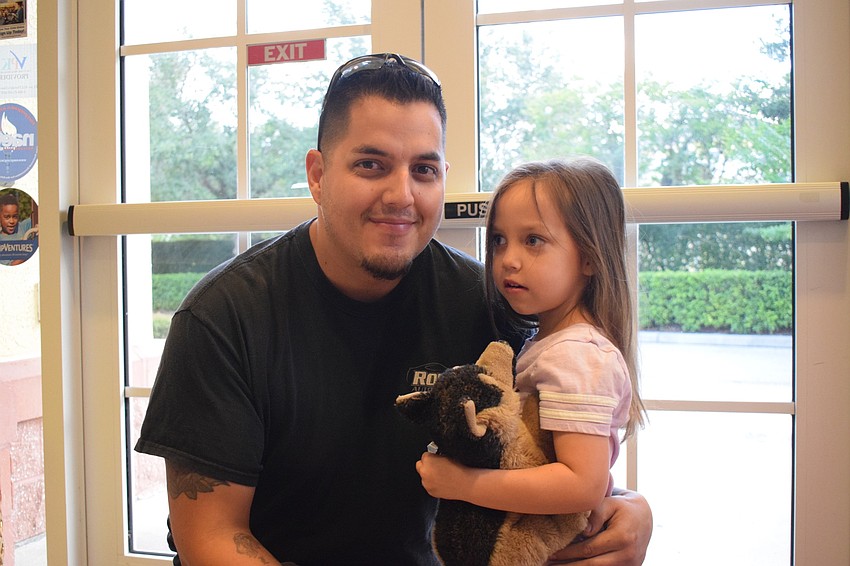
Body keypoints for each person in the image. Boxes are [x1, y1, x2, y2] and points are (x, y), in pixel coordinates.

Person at [135, 53, 652, 565]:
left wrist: (627, 506)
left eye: (423, 170)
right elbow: (212, 537)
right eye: (371, 165)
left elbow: (547, 450)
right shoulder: (225, 317)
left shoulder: (488, 306)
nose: (401, 195)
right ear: (317, 175)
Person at [416, 157, 646, 557]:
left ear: (590, 258)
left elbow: (582, 484)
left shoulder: (576, 355)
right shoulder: (550, 343)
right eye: (500, 240)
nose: (509, 259)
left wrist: (463, 483)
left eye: (533, 240)